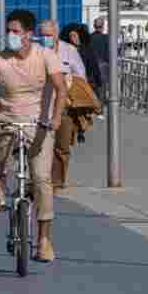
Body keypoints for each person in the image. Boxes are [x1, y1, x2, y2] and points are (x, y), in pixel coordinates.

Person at [0, 9, 67, 263]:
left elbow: (60, 89)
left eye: (15, 31)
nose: (10, 35)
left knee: (42, 179)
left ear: (29, 34)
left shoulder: (45, 56)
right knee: (1, 155)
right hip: (7, 119)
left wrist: (56, 118)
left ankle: (44, 240)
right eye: (8, 31)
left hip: (39, 124)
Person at [50, 23, 95, 190]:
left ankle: (57, 181)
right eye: (43, 35)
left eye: (49, 34)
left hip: (65, 105)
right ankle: (40, 180)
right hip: (41, 106)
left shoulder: (69, 51)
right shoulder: (36, 51)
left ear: (56, 34)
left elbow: (80, 76)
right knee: (40, 146)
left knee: (62, 146)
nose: (46, 38)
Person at [85, 17, 112, 93]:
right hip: (103, 67)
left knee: (93, 91)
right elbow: (109, 54)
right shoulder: (106, 38)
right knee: (102, 90)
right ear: (103, 26)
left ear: (94, 26)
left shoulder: (88, 38)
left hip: (91, 68)